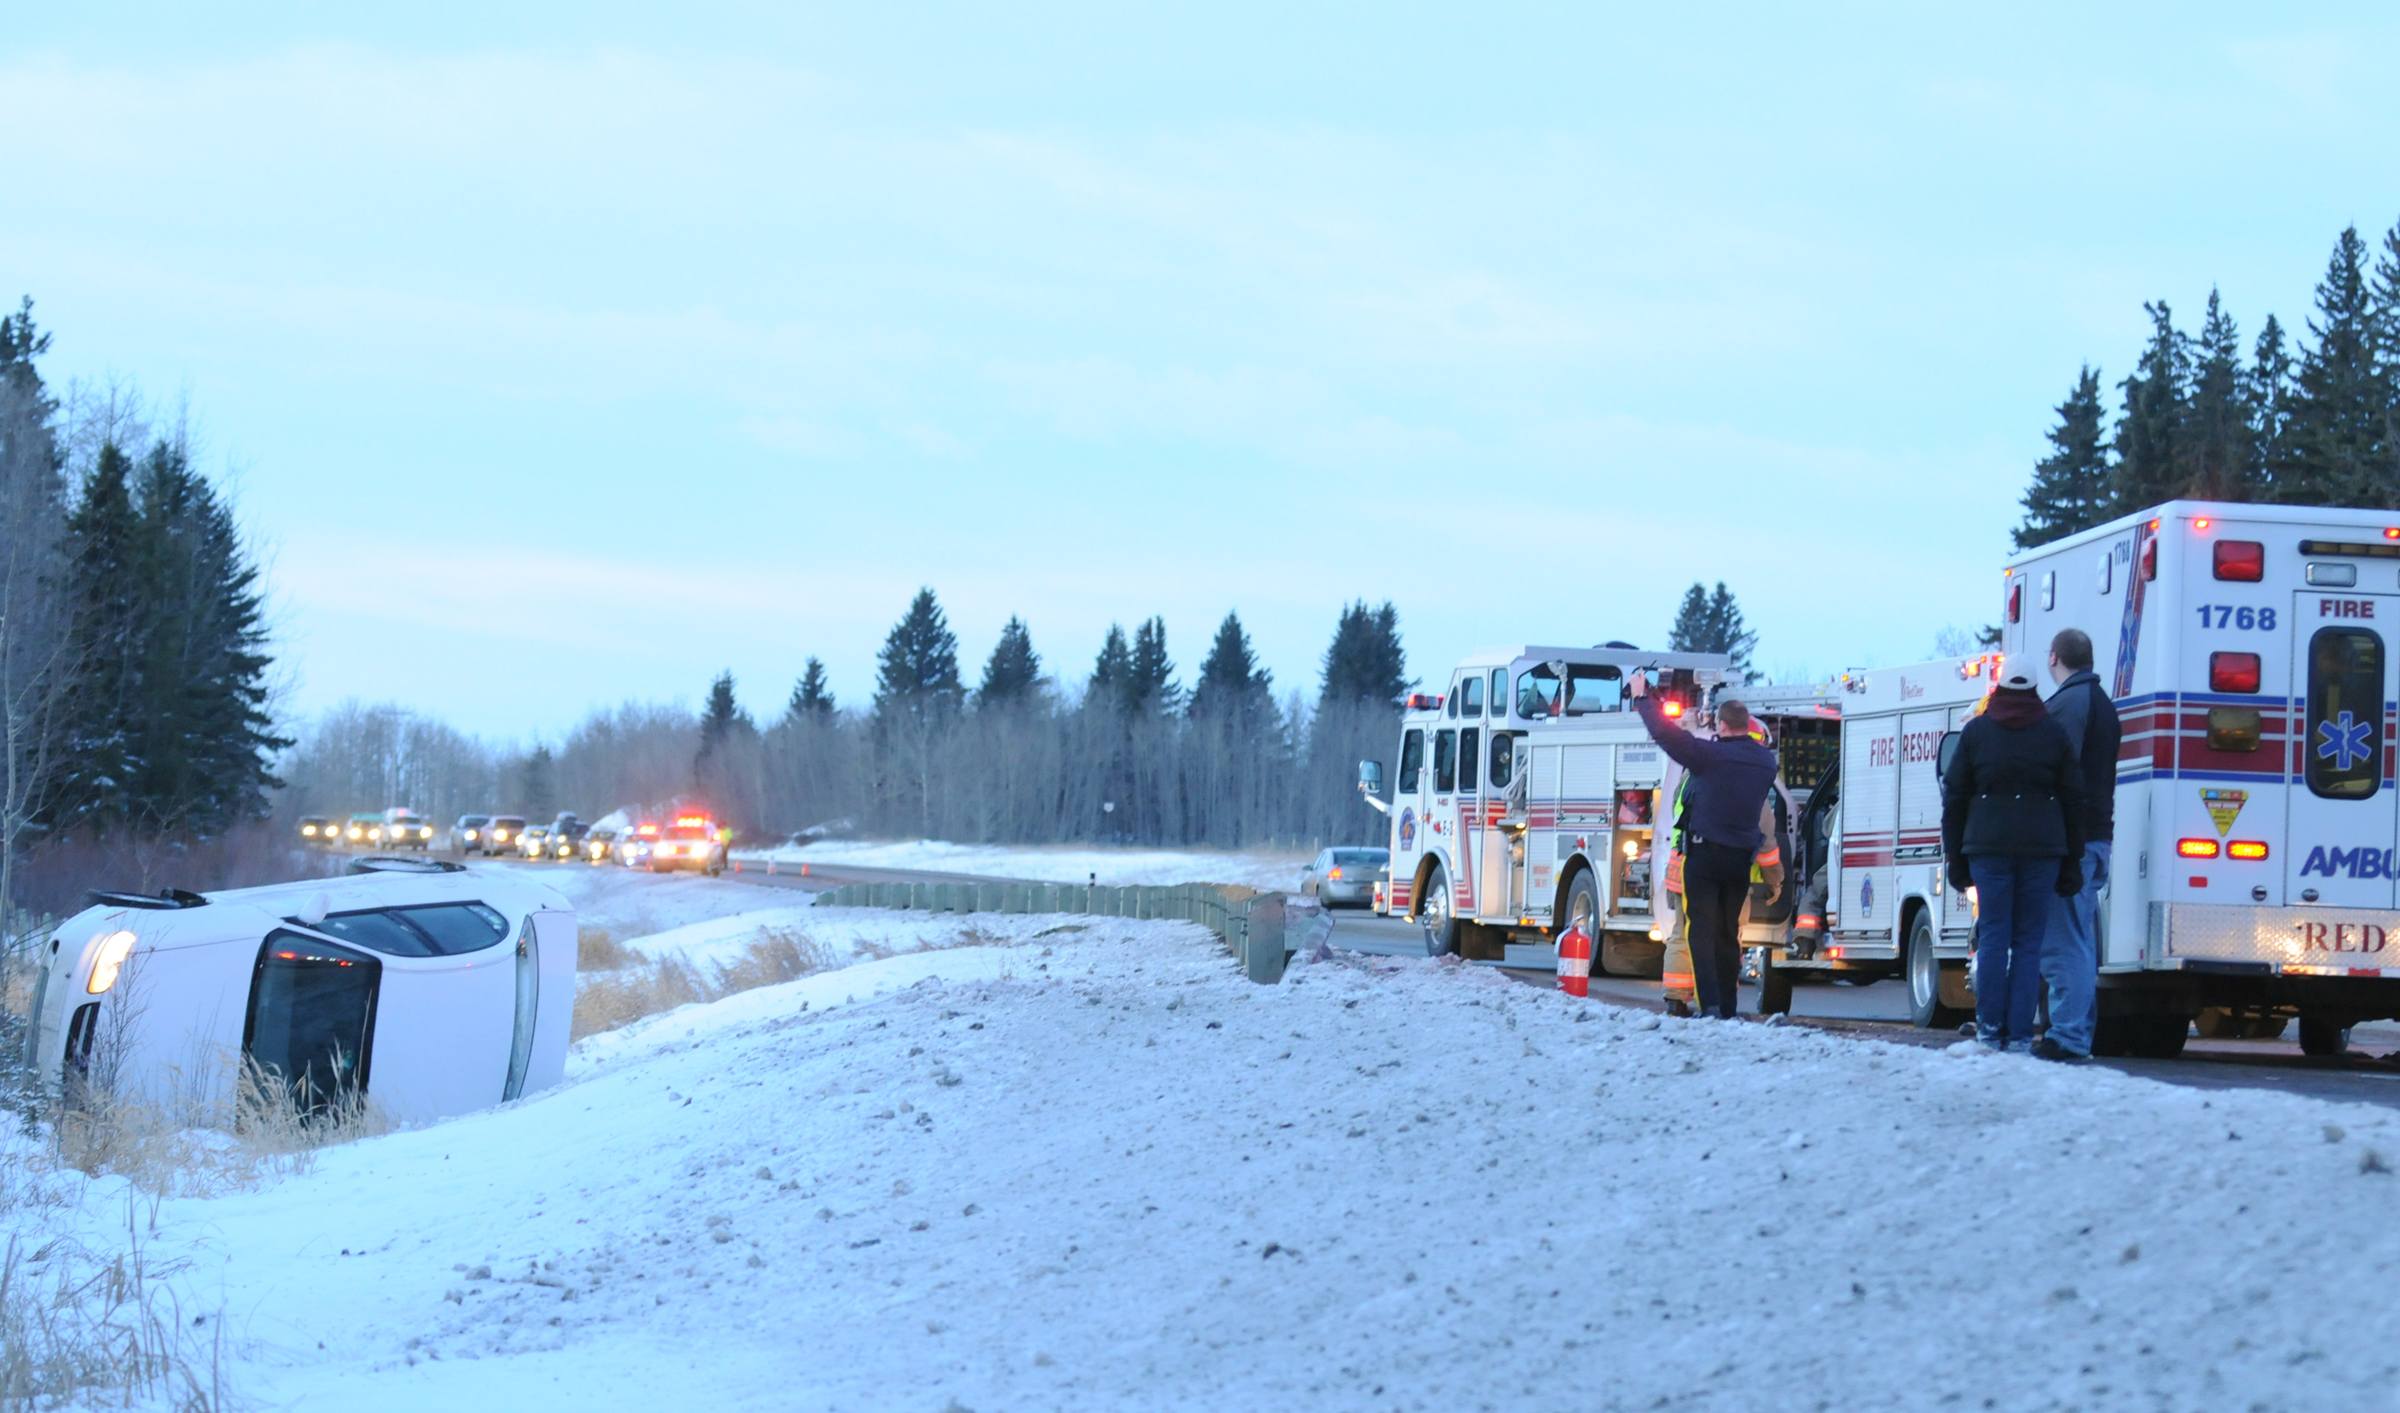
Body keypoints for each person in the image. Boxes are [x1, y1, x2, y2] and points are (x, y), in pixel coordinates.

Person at [1940, 656, 2086, 1053]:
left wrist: (1956, 858)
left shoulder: (1977, 734)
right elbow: (2074, 800)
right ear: (2035, 688)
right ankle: (2020, 1033)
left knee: (1992, 937)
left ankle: (1989, 1028)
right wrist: (2072, 860)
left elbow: (1954, 797)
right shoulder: (2053, 734)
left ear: (2000, 686)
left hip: (1988, 849)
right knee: (2027, 943)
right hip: (2042, 850)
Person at [1629, 672, 1778, 1019]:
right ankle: (1727, 1006)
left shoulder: (1710, 757)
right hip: (1739, 859)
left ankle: (1710, 1004)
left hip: (1704, 856)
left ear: (1722, 726)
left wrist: (1642, 698)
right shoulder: (1765, 763)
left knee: (1702, 931)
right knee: (1728, 932)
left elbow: (1665, 734)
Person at [2039, 628, 2120, 1062]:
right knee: (2080, 941)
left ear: (2055, 658)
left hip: (2074, 842)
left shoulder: (2069, 705)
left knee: (2063, 942)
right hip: (2096, 836)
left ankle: (2067, 1035)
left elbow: (2059, 774)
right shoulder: (2101, 703)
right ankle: (2076, 1033)